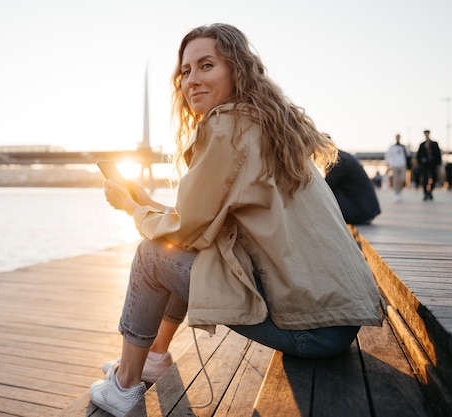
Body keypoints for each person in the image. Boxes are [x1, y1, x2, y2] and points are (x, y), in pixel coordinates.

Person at [90, 23, 382, 416]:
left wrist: (131, 209)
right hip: (336, 323)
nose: (192, 80)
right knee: (180, 248)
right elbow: (202, 224)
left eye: (206, 65)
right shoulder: (266, 124)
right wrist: (148, 205)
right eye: (186, 71)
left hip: (311, 332)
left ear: (237, 69)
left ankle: (124, 386)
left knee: (151, 255)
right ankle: (154, 359)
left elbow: (186, 231)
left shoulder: (228, 126)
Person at [325, 150, 381, 224]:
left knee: (326, 191)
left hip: (361, 211)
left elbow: (327, 185)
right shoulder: (343, 157)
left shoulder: (340, 160)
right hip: (365, 209)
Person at [416, 130, 442, 201]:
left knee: (434, 178)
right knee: (425, 179)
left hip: (433, 164)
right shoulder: (422, 145)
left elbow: (438, 154)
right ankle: (425, 193)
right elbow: (418, 155)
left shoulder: (434, 144)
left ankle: (430, 192)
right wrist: (420, 163)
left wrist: (439, 164)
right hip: (424, 165)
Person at [385, 134, 409, 201]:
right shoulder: (392, 147)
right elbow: (388, 155)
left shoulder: (403, 146)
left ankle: (400, 191)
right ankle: (397, 193)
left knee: (402, 179)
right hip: (395, 165)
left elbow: (408, 154)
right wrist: (389, 164)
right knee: (395, 179)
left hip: (402, 165)